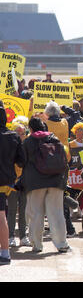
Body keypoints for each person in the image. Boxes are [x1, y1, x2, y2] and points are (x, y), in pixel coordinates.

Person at [22, 117, 70, 253]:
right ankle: (62, 244)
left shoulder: (28, 142)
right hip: (56, 181)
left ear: (31, 129)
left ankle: (37, 245)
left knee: (36, 213)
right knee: (56, 213)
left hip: (35, 182)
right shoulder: (55, 140)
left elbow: (21, 161)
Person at [0, 107, 25, 264]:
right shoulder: (13, 136)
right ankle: (5, 252)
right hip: (5, 182)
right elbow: (21, 161)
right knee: (2, 216)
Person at [7, 121, 30, 248]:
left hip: (25, 183)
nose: (21, 135)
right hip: (12, 183)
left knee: (23, 211)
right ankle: (10, 236)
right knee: (11, 211)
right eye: (18, 133)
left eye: (23, 133)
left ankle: (23, 236)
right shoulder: (10, 145)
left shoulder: (27, 146)